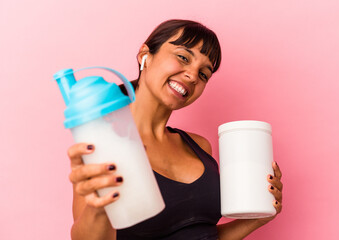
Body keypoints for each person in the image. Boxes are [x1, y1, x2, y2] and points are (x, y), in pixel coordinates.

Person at [67, 19, 283, 240]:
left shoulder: (199, 147)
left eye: (203, 74)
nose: (192, 76)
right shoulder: (102, 144)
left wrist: (259, 217)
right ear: (145, 55)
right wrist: (101, 207)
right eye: (183, 57)